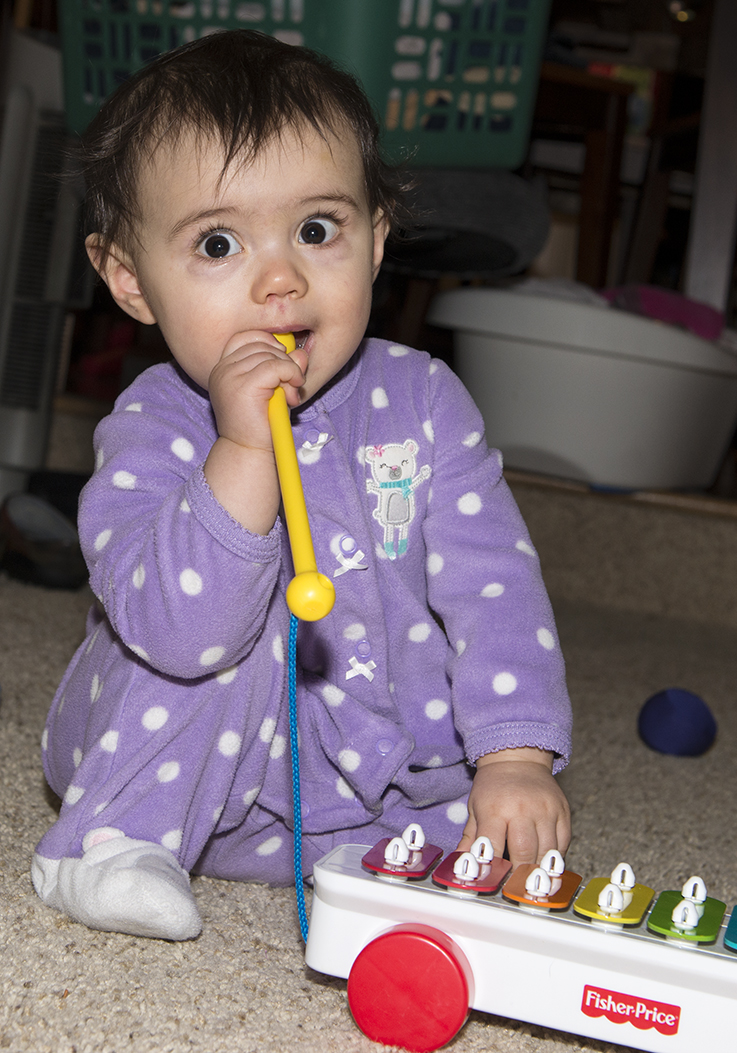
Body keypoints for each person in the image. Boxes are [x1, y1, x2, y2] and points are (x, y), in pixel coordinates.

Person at [32, 30, 572, 941]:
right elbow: (179, 630)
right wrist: (241, 448)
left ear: (376, 242)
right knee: (224, 641)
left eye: (318, 231)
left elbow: (495, 588)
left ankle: (379, 856)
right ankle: (107, 845)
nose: (281, 279)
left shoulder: (426, 402)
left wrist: (515, 758)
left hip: (367, 778)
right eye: (217, 243)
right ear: (130, 280)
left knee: (489, 835)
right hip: (181, 769)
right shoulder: (151, 423)